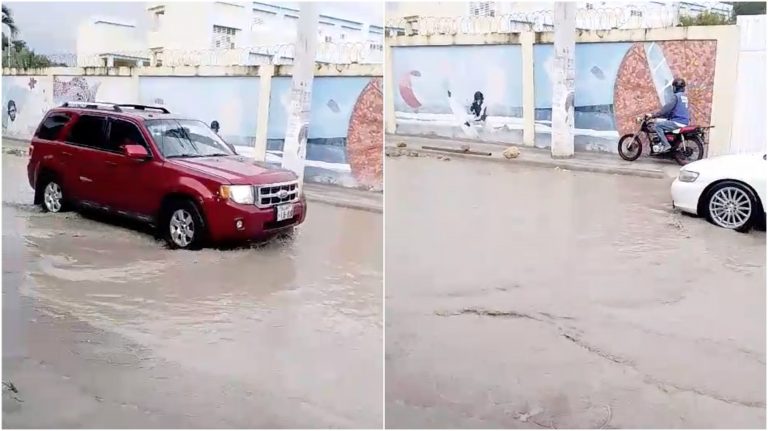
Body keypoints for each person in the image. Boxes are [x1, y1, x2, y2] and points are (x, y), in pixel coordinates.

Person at [649, 78, 690, 153]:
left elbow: (667, 108)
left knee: (657, 125)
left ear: (676, 87)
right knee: (664, 123)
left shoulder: (676, 96)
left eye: (673, 87)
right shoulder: (684, 97)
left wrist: (654, 115)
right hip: (684, 121)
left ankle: (666, 145)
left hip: (678, 121)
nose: (673, 88)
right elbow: (677, 110)